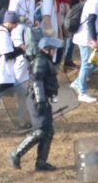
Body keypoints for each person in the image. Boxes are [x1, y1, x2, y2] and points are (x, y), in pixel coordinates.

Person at [11, 36, 62, 171]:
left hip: (42, 98)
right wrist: (40, 101)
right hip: (37, 100)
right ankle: (16, 153)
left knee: (48, 131)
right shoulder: (41, 61)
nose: (55, 51)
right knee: (40, 131)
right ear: (47, 49)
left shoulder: (45, 60)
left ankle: (41, 163)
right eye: (53, 49)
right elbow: (37, 81)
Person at [0, 10, 27, 135]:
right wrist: (21, 50)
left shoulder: (3, 32)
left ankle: (22, 122)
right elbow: (8, 55)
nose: (16, 27)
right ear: (10, 23)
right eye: (15, 24)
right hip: (0, 74)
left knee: (21, 93)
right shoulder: (2, 35)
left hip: (4, 74)